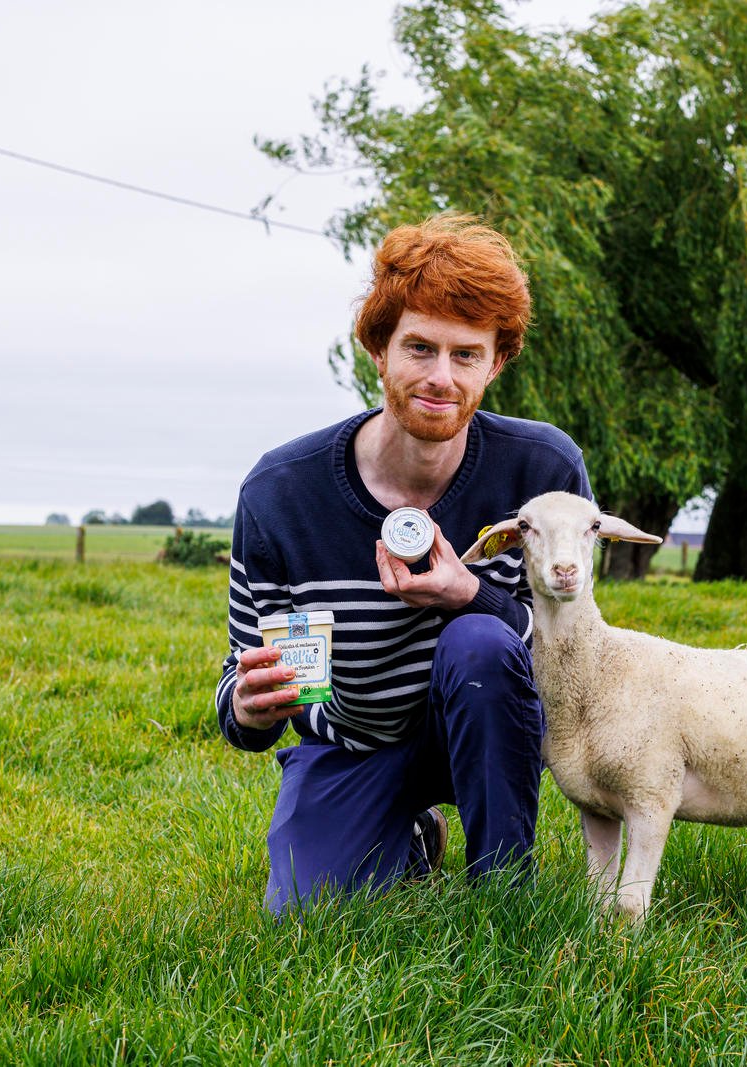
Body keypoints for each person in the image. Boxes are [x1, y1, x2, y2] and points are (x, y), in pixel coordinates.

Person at [215, 214, 590, 912]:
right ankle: (410, 834)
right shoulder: (282, 494)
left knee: (480, 642)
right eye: (419, 347)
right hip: (352, 740)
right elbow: (246, 689)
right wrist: (249, 705)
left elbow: (578, 659)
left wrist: (468, 592)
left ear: (496, 362)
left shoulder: (543, 471)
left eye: (466, 354)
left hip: (490, 729)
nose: (441, 377)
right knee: (306, 910)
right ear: (378, 350)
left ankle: (503, 891)